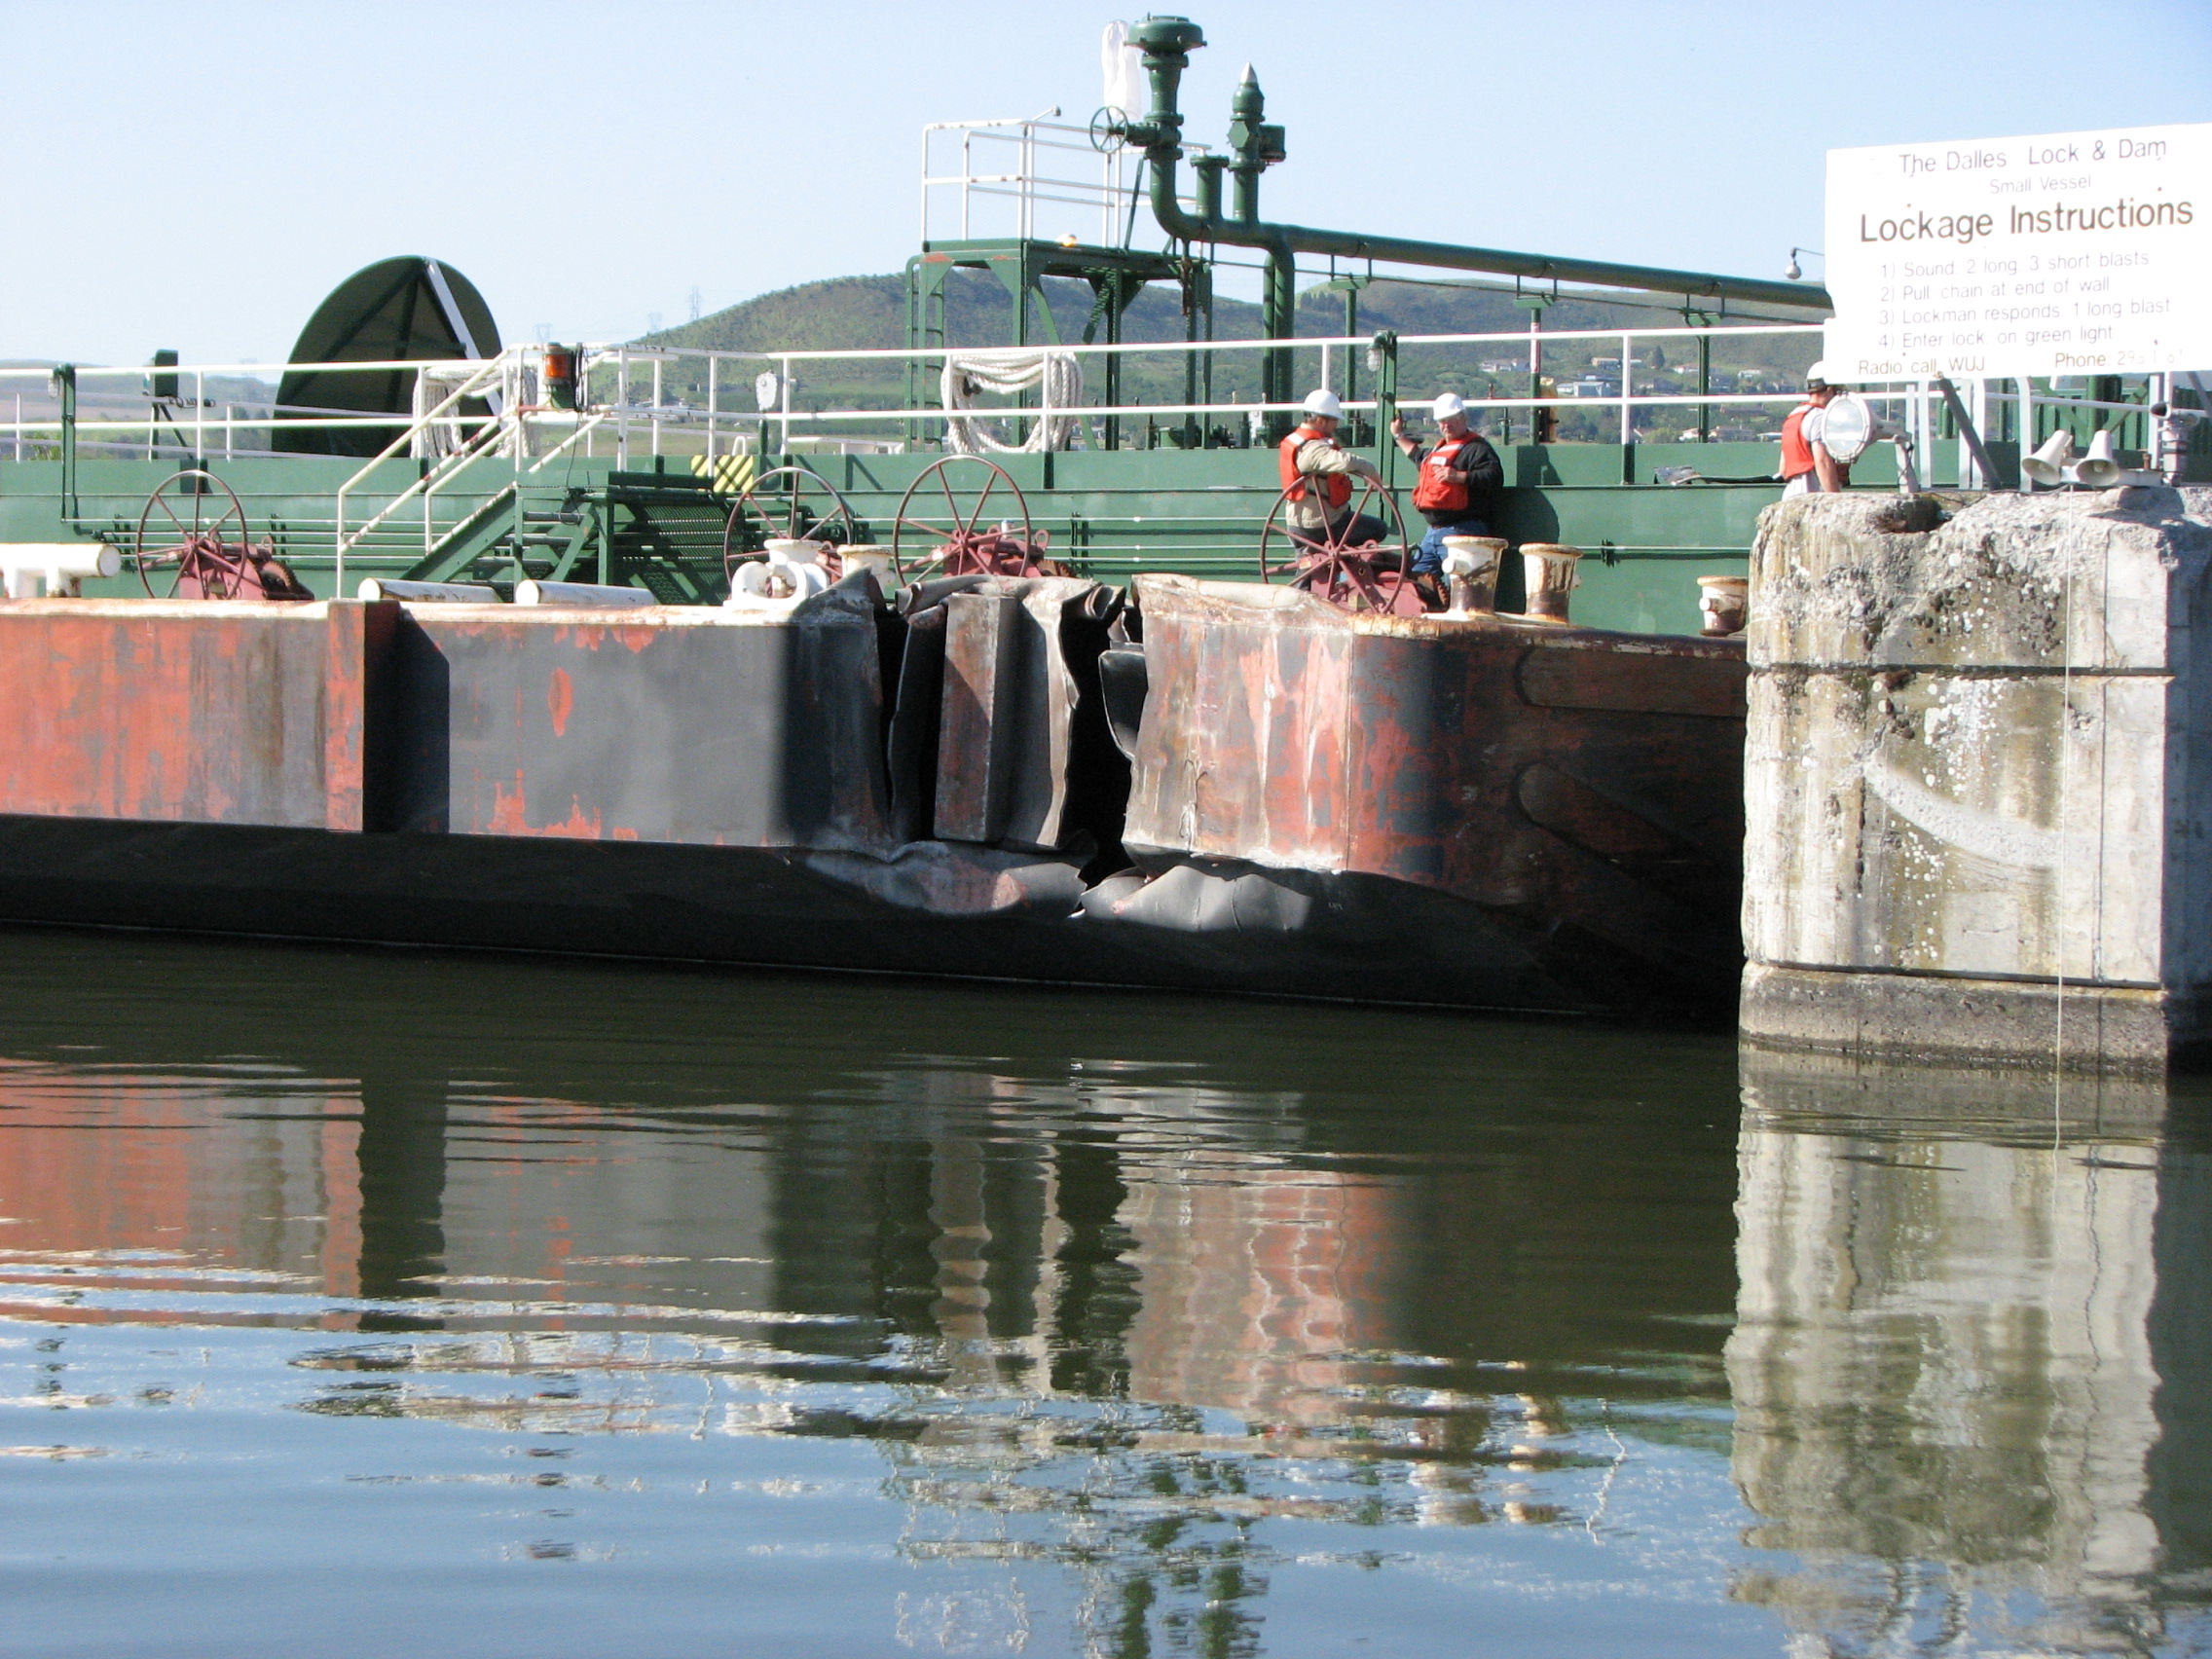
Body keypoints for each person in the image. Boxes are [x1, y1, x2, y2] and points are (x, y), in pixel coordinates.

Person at [1390, 392, 1504, 581]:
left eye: (1451, 420)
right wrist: (1398, 435)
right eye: (1442, 421)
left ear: (1464, 418)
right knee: (1416, 580)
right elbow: (1417, 456)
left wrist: (1460, 476)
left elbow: (1494, 476)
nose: (1446, 425)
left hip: (1464, 531)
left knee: (1463, 586)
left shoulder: (1478, 448)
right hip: (1433, 533)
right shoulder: (1438, 450)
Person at [1279, 389, 1387, 550]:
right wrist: (1370, 471)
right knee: (1379, 528)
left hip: (1300, 522)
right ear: (1321, 421)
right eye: (1334, 420)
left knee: (1310, 570)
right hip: (1320, 525)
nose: (1337, 425)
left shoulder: (1298, 441)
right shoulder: (1311, 449)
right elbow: (1345, 461)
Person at [1780, 361, 1849, 497]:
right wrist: (1835, 498)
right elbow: (1822, 462)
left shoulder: (1793, 416)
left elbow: (1783, 469)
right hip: (1811, 492)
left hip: (1790, 494)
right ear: (1830, 390)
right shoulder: (1820, 417)